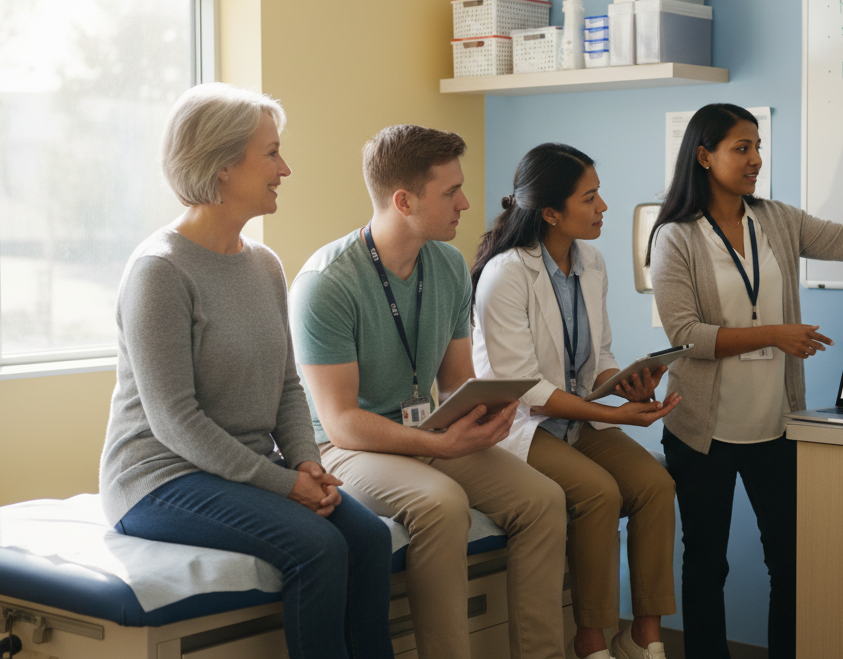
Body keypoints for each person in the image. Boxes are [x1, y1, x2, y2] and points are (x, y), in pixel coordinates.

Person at [647, 103, 843, 659]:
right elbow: (685, 334)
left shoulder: (775, 219)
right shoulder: (675, 237)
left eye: (757, 146)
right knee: (705, 562)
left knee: (791, 561)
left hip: (774, 423)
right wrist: (775, 334)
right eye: (740, 148)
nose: (755, 159)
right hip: (702, 430)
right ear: (704, 156)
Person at [99, 83, 393, 659]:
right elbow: (174, 420)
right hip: (158, 478)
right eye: (271, 153)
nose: (285, 168)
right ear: (223, 165)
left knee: (368, 537)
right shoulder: (159, 271)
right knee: (318, 546)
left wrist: (306, 460)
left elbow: (287, 385)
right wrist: (287, 485)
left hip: (248, 466)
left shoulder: (263, 264)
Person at [290, 124, 568, 659]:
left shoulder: (445, 266)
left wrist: (487, 411)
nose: (466, 203)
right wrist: (435, 445)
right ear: (403, 200)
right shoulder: (326, 284)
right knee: (441, 504)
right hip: (347, 447)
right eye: (450, 192)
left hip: (426, 431)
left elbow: (456, 381)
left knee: (542, 499)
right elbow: (342, 419)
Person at [471, 144, 681, 659]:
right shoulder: (506, 274)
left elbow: (599, 356)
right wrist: (612, 414)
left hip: (579, 416)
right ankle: (589, 641)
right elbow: (528, 391)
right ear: (550, 213)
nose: (603, 207)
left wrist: (630, 385)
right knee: (598, 493)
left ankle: (643, 638)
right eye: (590, 198)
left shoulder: (591, 261)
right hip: (520, 424)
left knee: (656, 484)